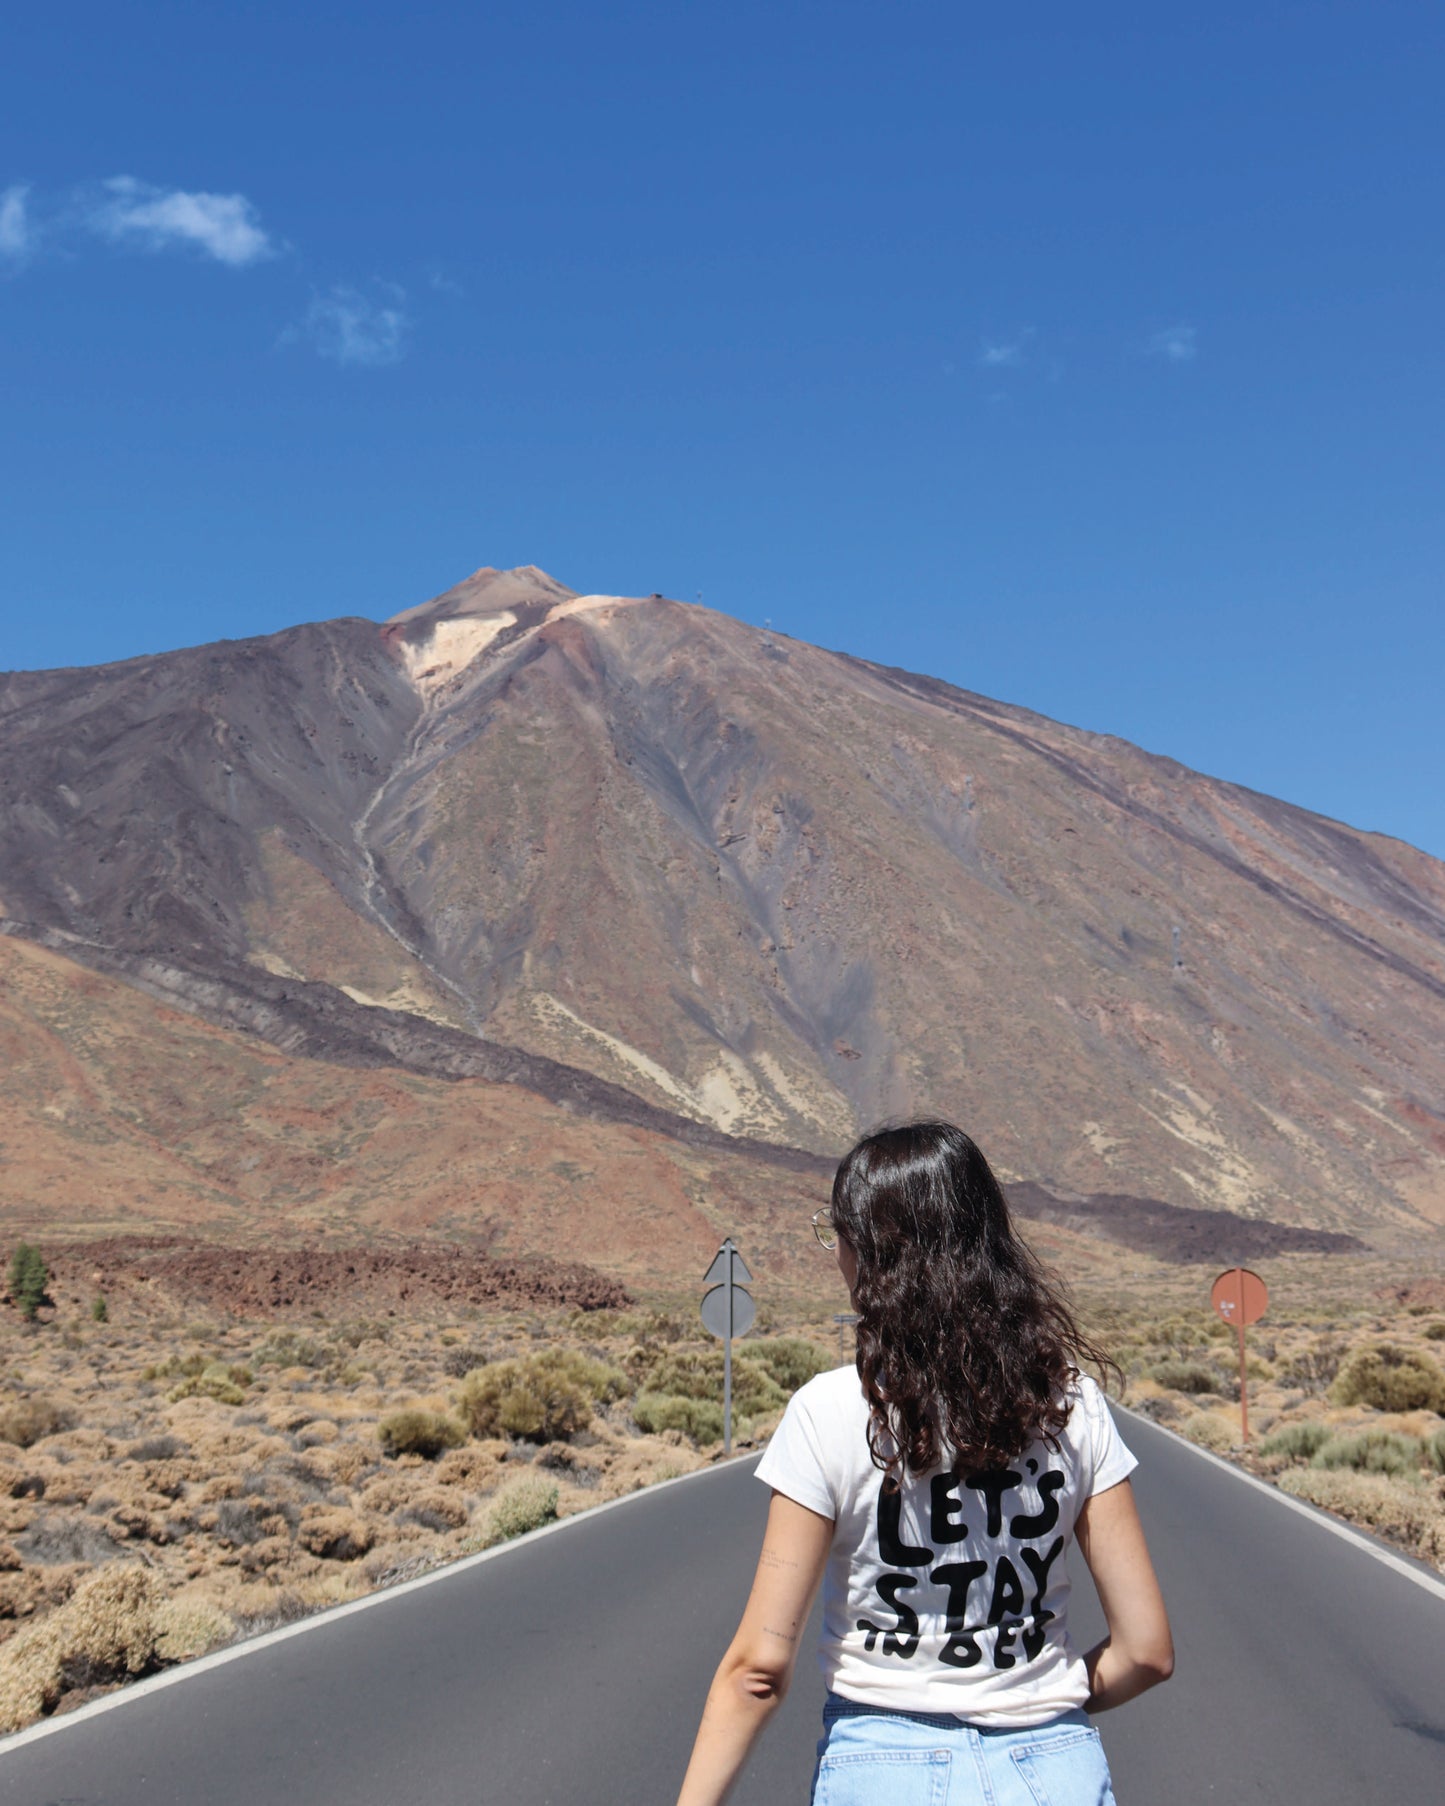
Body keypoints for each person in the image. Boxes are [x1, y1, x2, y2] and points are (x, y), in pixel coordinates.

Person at [676, 1121, 1173, 1806]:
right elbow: (1146, 1651)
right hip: (1053, 1768)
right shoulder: (1071, 1405)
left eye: (840, 1235)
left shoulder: (828, 1413)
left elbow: (757, 1669)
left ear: (873, 1254)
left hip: (883, 1772)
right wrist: (1037, 1700)